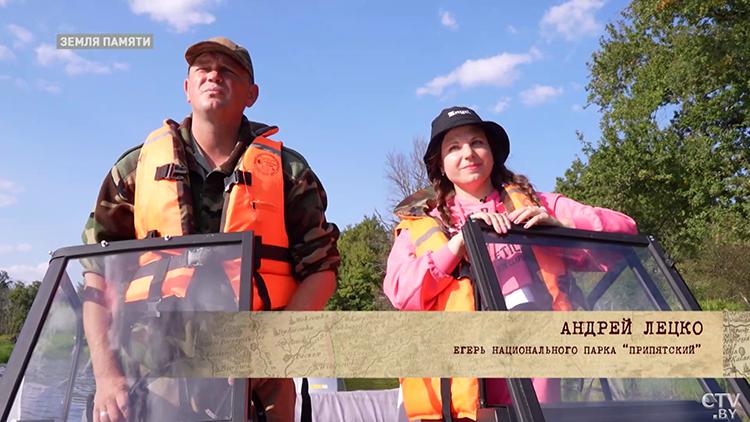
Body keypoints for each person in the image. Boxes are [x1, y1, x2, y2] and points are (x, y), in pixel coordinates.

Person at [79, 37, 340, 422]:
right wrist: (106, 374)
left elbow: (322, 272)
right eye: (202, 68)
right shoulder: (135, 169)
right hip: (149, 377)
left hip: (258, 382)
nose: (213, 74)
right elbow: (96, 277)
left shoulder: (288, 172)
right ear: (187, 88)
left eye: (228, 70)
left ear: (251, 94)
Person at [383, 106, 637, 421]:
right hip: (458, 390)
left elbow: (627, 231)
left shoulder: (540, 204)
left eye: (477, 142)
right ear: (440, 165)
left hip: (534, 379)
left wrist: (562, 227)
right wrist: (458, 245)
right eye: (454, 147)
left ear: (491, 152)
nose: (468, 153)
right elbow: (401, 292)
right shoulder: (420, 223)